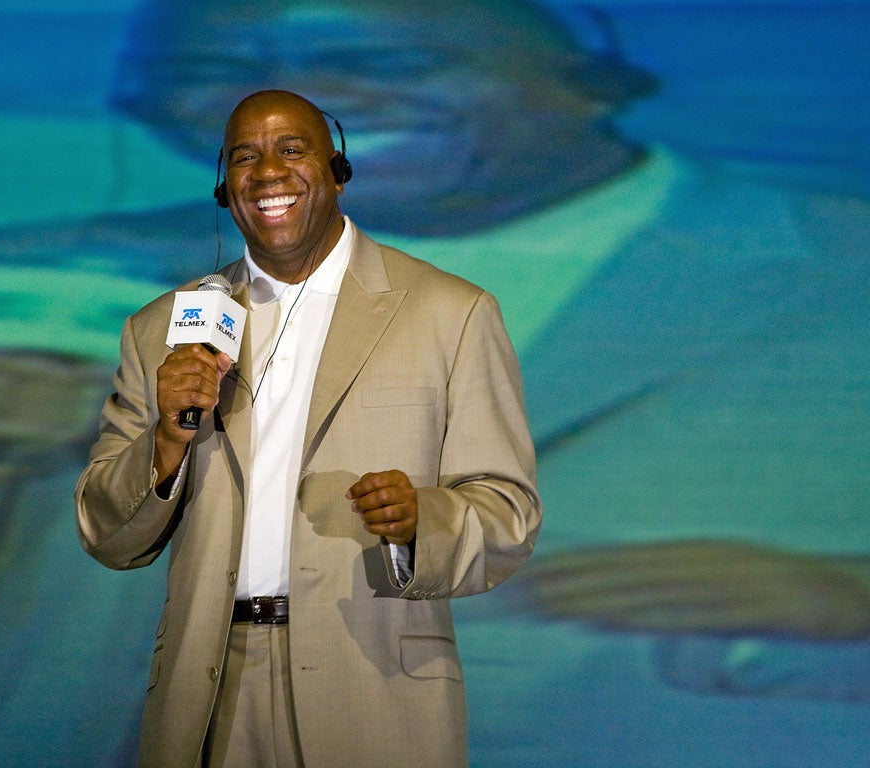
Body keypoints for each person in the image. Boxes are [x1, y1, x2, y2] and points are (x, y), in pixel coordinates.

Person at [74, 89, 541, 768]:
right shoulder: (161, 331)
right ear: (223, 189)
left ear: (338, 169)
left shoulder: (451, 313)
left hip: (374, 683)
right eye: (245, 158)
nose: (267, 172)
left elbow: (508, 516)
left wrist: (422, 520)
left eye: (291, 149)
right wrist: (167, 444)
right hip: (210, 692)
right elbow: (103, 531)